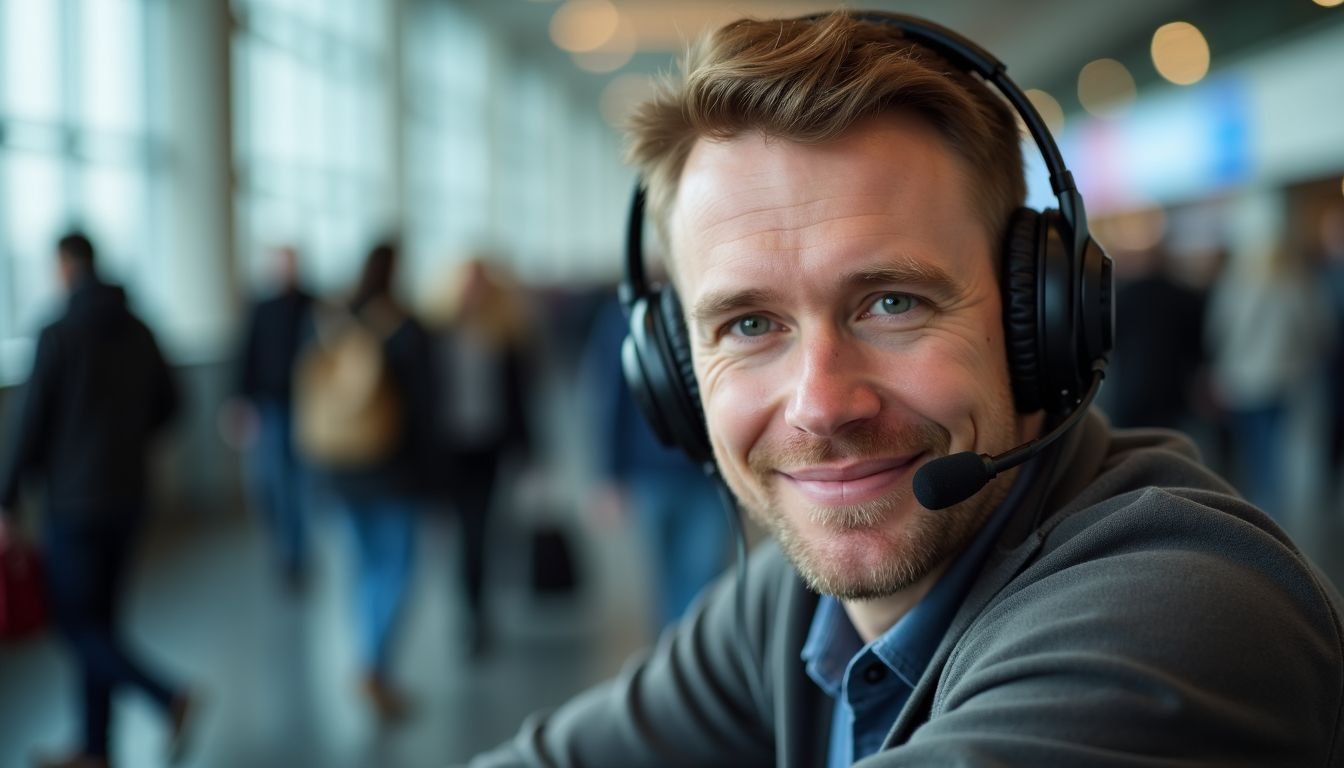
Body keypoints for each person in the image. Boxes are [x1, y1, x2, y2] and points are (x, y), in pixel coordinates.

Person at [468, 12, 1344, 767]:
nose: (821, 403)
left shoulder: (1180, 618)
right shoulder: (789, 599)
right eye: (748, 325)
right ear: (669, 365)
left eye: (892, 302)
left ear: (1038, 313)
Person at [0, 232, 195, 768]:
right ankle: (94, 747)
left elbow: (30, 424)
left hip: (75, 501)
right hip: (130, 494)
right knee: (101, 623)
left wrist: (7, 500)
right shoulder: (139, 329)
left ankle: (167, 696)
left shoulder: (57, 332)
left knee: (73, 623)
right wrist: (128, 442)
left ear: (65, 266)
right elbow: (171, 404)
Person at [296, 240, 436, 719]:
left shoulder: (333, 321)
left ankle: (368, 658)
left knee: (362, 568)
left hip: (340, 465)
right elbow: (423, 409)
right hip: (394, 471)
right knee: (396, 567)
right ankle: (374, 664)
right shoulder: (404, 327)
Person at [580, 291, 729, 631]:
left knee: (703, 577)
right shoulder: (621, 320)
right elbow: (608, 402)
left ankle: (697, 658)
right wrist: (607, 475)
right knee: (664, 579)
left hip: (708, 472)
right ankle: (675, 657)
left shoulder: (709, 311)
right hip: (649, 472)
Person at [423, 256, 534, 657]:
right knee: (458, 532)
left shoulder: (504, 332)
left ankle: (475, 612)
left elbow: (522, 398)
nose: (473, 290)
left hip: (487, 446)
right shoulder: (434, 332)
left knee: (479, 530)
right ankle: (469, 603)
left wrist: (529, 450)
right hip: (447, 448)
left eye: (480, 282)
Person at [230, 245, 315, 590]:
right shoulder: (260, 307)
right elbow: (246, 355)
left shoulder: (312, 304)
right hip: (270, 405)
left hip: (306, 407)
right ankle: (284, 547)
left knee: (299, 483)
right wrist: (239, 402)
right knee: (271, 483)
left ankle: (295, 552)